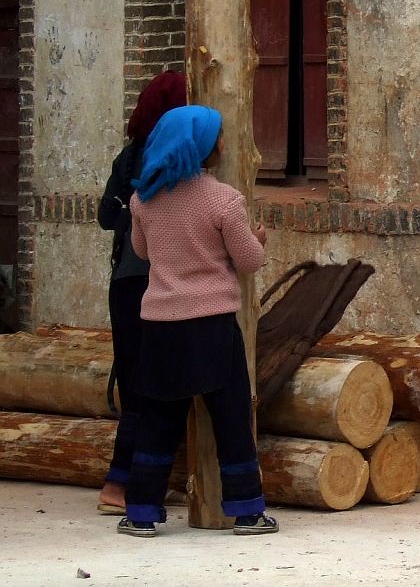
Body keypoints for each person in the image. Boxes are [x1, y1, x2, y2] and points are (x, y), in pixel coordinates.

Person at [117, 104, 277, 537]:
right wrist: (258, 240)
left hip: (160, 325)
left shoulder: (143, 199)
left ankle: (142, 511)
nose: (222, 142)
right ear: (202, 147)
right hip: (211, 325)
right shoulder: (224, 199)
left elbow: (145, 253)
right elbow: (248, 260)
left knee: (158, 418)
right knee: (230, 416)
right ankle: (246, 509)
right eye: (218, 136)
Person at [96, 70, 187, 515]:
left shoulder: (129, 156)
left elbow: (103, 218)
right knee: (151, 389)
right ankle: (120, 486)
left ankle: (131, 483)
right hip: (159, 284)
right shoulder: (179, 156)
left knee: (137, 386)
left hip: (125, 284)